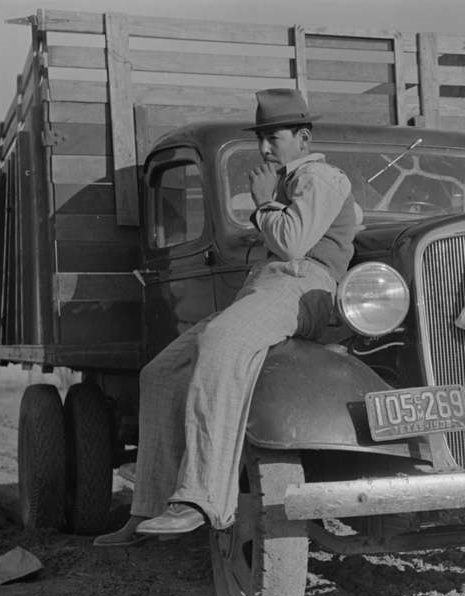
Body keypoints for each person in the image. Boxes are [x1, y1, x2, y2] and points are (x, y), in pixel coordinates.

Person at [94, 88, 363, 546]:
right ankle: (149, 509)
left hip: (303, 287)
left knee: (221, 342)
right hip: (268, 287)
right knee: (160, 372)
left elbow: (294, 244)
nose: (263, 148)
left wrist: (262, 203)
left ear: (303, 136)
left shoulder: (321, 177)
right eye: (260, 138)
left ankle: (200, 500)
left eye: (273, 138)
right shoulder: (289, 182)